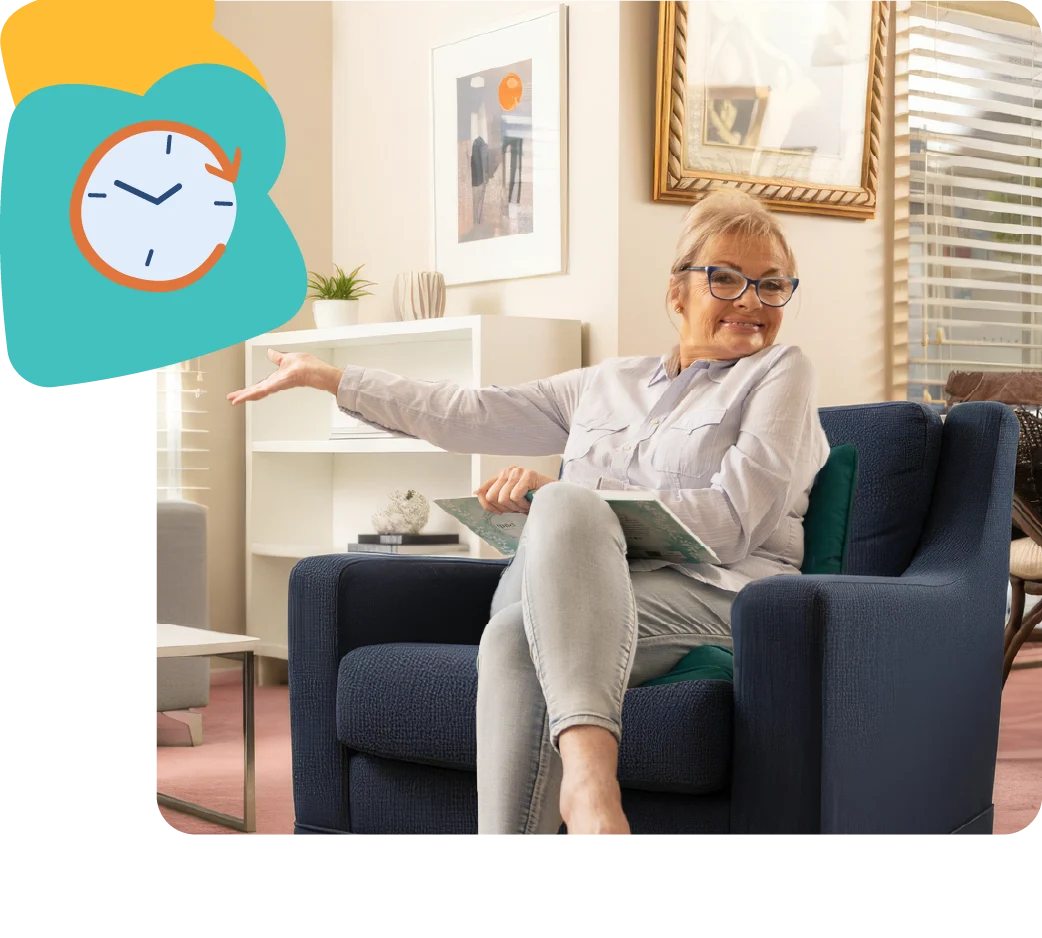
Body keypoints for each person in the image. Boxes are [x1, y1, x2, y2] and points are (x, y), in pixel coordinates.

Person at [227, 189, 831, 840]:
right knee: (519, 621)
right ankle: (588, 789)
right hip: (593, 596)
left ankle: (591, 779)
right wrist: (333, 379)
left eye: (772, 287)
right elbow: (466, 411)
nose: (751, 302)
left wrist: (572, 506)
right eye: (727, 279)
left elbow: (731, 522)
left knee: (527, 606)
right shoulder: (605, 384)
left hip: (720, 599)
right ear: (677, 293)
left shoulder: (780, 373)